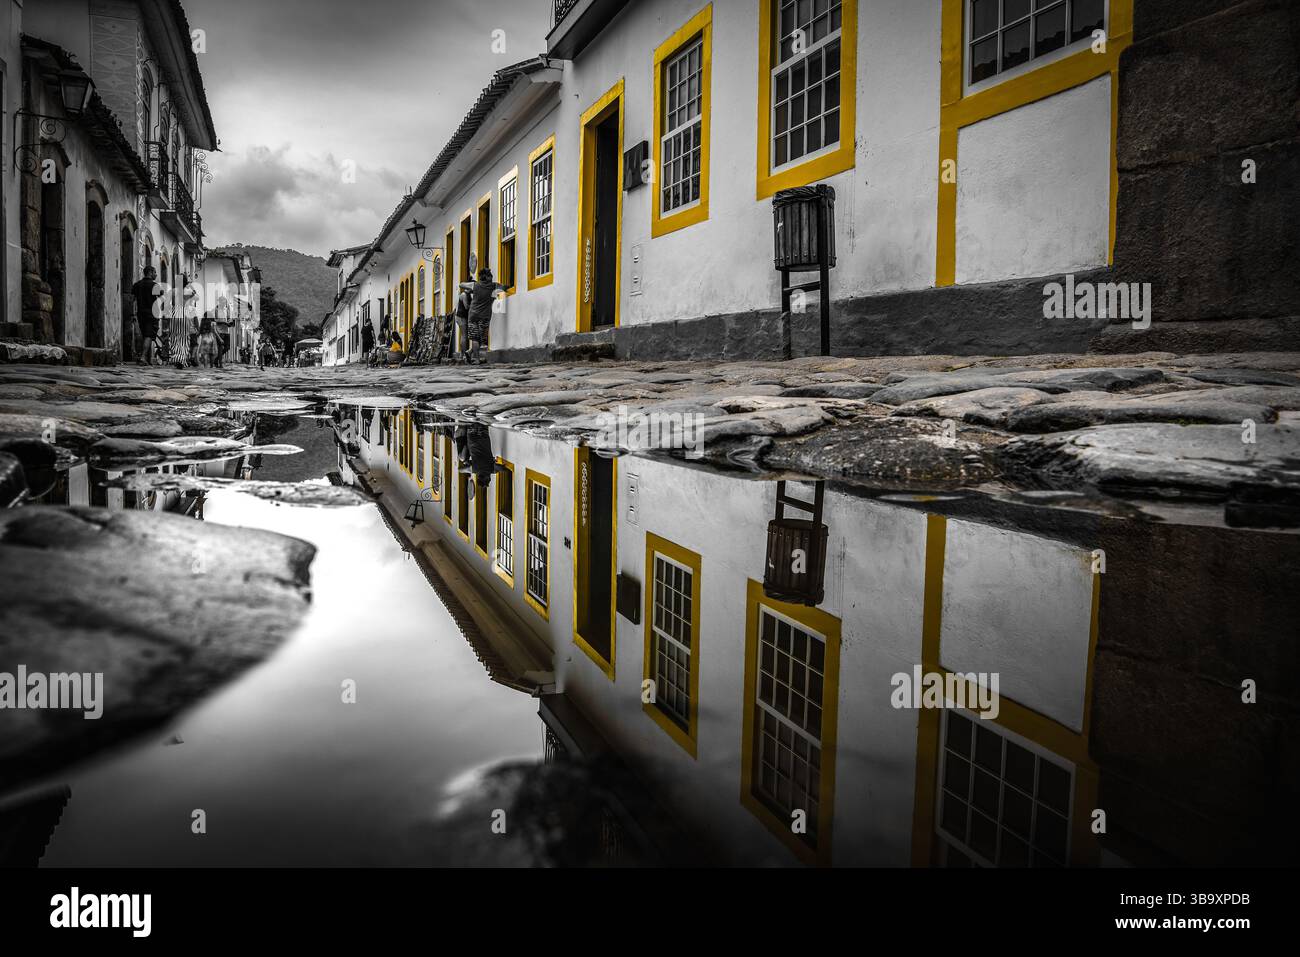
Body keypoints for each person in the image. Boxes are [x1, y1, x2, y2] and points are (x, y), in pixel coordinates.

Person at [458, 268, 506, 364]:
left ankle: (474, 356)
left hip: (473, 315)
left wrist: (470, 289)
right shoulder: (494, 285)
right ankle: (473, 355)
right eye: (490, 275)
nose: (492, 277)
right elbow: (504, 288)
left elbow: (461, 284)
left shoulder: (474, 285)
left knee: (475, 338)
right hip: (485, 315)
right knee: (481, 338)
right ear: (487, 277)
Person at [130, 266, 164, 365]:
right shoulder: (154, 285)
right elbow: (161, 295)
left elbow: (133, 299)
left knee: (143, 334)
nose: (156, 274)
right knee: (148, 335)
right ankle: (143, 357)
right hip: (151, 314)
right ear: (150, 272)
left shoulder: (137, 285)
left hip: (140, 313)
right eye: (155, 272)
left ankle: (141, 356)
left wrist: (133, 313)